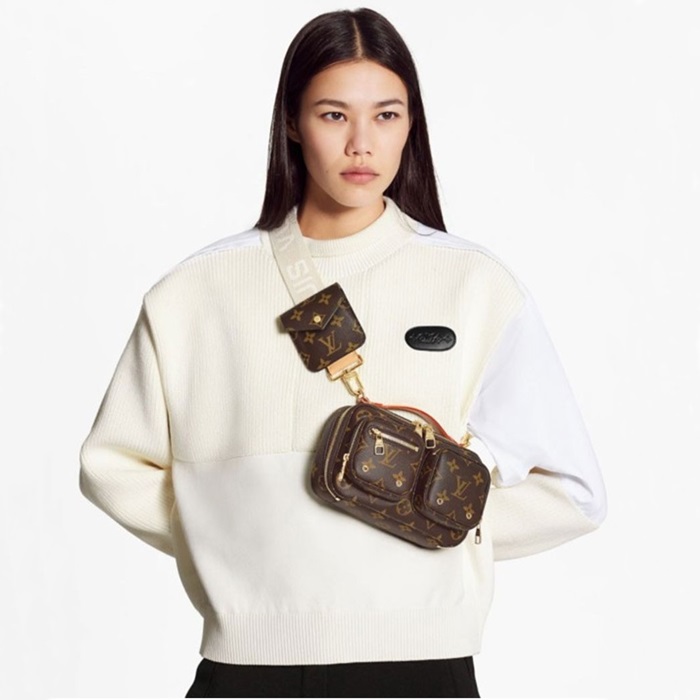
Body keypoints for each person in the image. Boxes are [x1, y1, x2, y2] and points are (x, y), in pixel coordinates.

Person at [79, 7, 607, 698]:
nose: (362, 143)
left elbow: (572, 491)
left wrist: (431, 517)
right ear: (293, 123)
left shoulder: (474, 284)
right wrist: (233, 539)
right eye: (334, 115)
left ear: (411, 125)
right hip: (249, 668)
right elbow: (111, 464)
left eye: (386, 115)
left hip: (423, 666)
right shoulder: (195, 293)